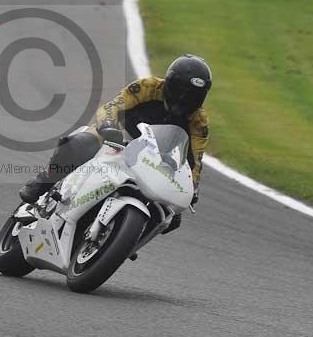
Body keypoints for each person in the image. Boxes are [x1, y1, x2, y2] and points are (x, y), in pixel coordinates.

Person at [18, 54, 212, 230]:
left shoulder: (199, 121)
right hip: (118, 136)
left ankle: (124, 235)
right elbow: (112, 106)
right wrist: (108, 125)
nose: (186, 99)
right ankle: (43, 183)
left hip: (152, 159)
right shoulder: (147, 87)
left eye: (195, 96)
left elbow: (195, 160)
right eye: (182, 91)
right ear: (170, 83)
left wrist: (191, 189)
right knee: (81, 143)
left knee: (168, 215)